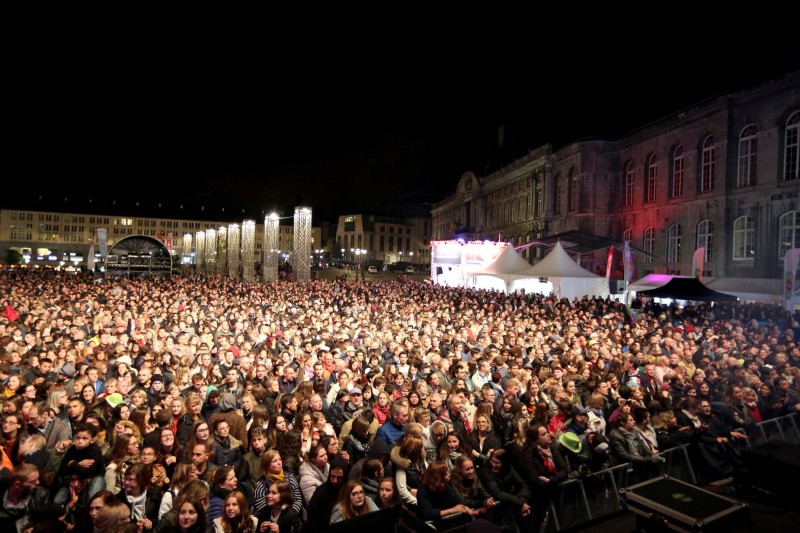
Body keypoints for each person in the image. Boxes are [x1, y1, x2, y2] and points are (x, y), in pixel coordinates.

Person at [478, 449, 531, 533]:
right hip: (493, 513)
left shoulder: (508, 468)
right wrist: (520, 503)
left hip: (509, 508)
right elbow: (497, 493)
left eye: (497, 463)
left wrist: (522, 502)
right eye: (492, 461)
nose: (493, 465)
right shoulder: (485, 471)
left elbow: (524, 486)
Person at [416, 461, 479, 529]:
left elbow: (459, 501)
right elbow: (428, 513)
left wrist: (465, 508)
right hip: (431, 527)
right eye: (446, 474)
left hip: (446, 522)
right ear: (438, 478)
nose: (449, 474)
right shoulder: (423, 490)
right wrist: (452, 510)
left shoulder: (445, 485)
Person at [0, 463, 51, 533]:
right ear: (17, 484)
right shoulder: (2, 495)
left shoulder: (40, 496)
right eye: (32, 481)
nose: (38, 482)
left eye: (37, 479)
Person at [118, 462, 162, 532]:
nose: (126, 482)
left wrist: (151, 523)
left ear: (141, 481)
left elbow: (158, 516)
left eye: (131, 479)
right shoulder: (119, 498)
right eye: (125, 478)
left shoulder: (154, 493)